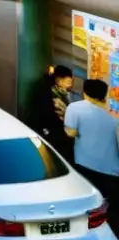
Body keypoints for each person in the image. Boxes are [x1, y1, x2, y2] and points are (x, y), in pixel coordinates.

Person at [65, 78, 119, 211]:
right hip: (111, 169)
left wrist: (81, 133)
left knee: (87, 205)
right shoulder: (112, 115)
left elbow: (70, 132)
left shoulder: (75, 107)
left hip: (84, 164)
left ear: (85, 92)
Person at [34, 65, 74, 159]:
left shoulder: (62, 94)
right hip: (54, 137)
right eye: (67, 82)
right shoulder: (49, 95)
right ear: (59, 80)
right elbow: (49, 116)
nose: (69, 85)